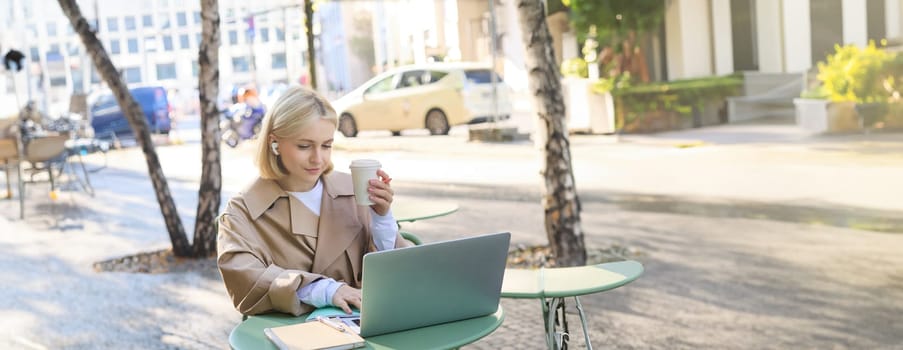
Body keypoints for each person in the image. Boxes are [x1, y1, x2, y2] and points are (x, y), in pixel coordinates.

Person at [217, 86, 408, 317]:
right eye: (304, 146)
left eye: (326, 145)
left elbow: (392, 272)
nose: (318, 158)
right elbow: (245, 279)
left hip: (365, 322)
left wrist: (382, 217)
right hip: (291, 332)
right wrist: (325, 290)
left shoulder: (353, 190)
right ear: (274, 143)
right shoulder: (243, 211)